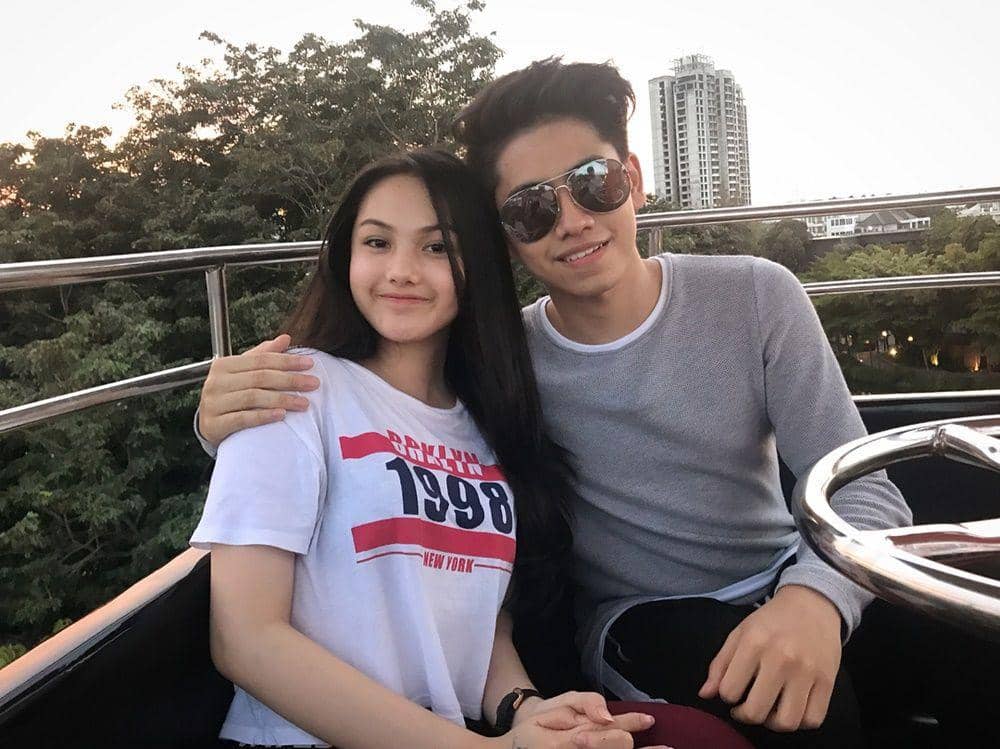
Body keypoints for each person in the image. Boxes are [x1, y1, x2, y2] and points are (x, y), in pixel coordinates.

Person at [194, 61, 913, 747]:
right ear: (506, 239)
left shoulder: (754, 296)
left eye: (594, 183)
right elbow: (376, 424)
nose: (571, 221)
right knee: (808, 717)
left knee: (952, 647)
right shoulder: (506, 370)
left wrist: (814, 599)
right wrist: (217, 422)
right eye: (531, 208)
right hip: (641, 619)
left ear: (634, 180)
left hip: (789, 572)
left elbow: (866, 491)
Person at [190, 148, 671, 749]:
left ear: (479, 267)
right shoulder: (293, 389)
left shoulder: (486, 426)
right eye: (377, 242)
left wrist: (525, 711)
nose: (402, 271)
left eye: (438, 247)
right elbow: (246, 638)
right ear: (346, 257)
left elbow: (471, 616)